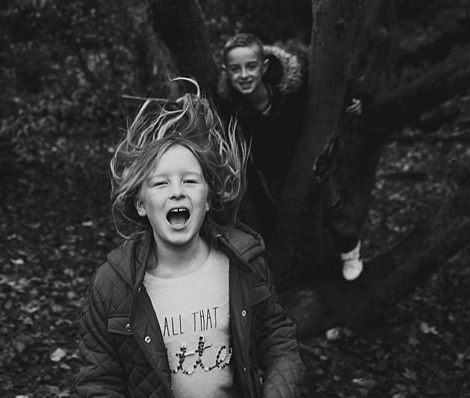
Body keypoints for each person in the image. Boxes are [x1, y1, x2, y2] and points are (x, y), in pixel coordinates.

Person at [76, 87, 305, 398]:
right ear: (141, 204)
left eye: (190, 180)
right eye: (160, 183)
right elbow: (98, 382)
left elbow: (278, 342)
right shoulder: (111, 286)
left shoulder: (243, 263)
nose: (177, 192)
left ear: (208, 199)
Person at [215, 33, 363, 282]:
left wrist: (352, 99)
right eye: (235, 69)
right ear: (226, 72)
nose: (244, 75)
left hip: (306, 153)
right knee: (288, 210)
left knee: (330, 202)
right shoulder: (232, 103)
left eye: (251, 67)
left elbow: (332, 83)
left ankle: (349, 247)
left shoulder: (292, 82)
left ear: (264, 67)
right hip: (272, 165)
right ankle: (303, 260)